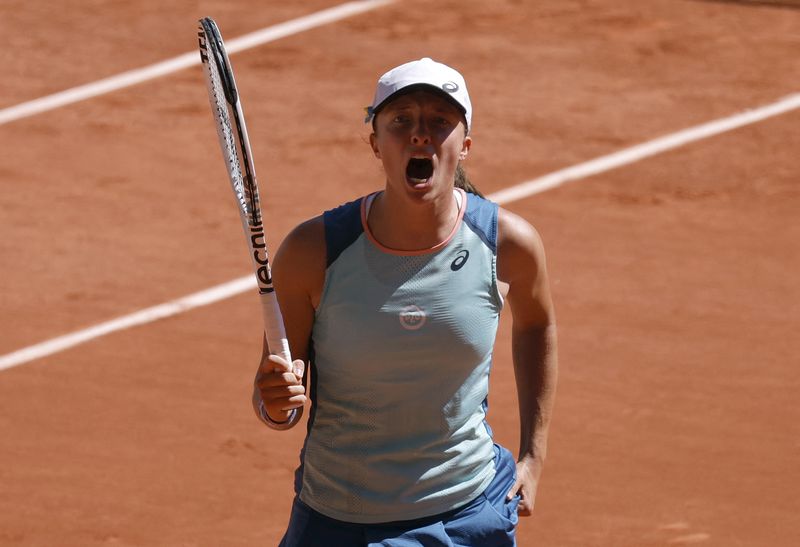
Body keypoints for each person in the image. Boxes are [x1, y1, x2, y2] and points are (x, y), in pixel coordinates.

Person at [253, 57, 558, 546]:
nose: (420, 134)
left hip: (469, 514)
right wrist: (273, 402)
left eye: (440, 121)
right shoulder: (315, 251)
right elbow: (278, 398)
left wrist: (533, 455)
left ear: (466, 144)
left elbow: (536, 326)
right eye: (401, 121)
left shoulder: (508, 244)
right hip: (343, 521)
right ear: (376, 143)